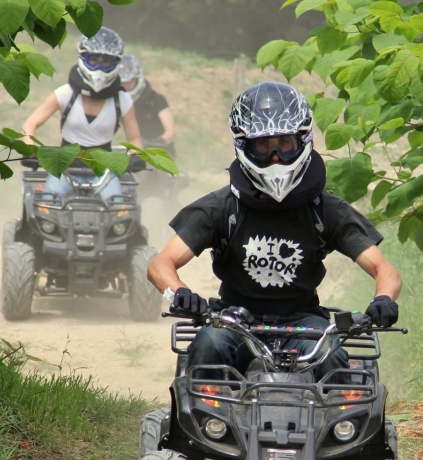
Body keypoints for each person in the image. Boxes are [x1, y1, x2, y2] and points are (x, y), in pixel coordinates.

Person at [146, 81, 402, 380]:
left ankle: (337, 413)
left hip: (305, 324)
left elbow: (384, 269)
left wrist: (384, 299)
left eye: (284, 143)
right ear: (244, 145)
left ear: (302, 140)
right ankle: (205, 412)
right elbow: (159, 265)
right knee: (208, 345)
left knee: (333, 357)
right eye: (263, 145)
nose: (275, 156)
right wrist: (179, 292)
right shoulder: (220, 207)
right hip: (233, 321)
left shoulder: (326, 210)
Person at [21, 27, 144, 197]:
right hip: (64, 168)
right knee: (49, 202)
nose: (99, 67)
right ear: (82, 58)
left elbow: (134, 138)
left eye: (106, 62)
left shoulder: (122, 100)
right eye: (93, 60)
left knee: (117, 205)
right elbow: (31, 123)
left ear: (116, 63)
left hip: (103, 170)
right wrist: (30, 149)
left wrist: (136, 156)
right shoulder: (65, 94)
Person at [118, 54, 176, 155]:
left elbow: (171, 133)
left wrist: (155, 143)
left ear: (138, 78)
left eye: (130, 81)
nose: (127, 86)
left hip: (162, 154)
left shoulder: (157, 100)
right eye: (123, 83)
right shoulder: (119, 103)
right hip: (135, 153)